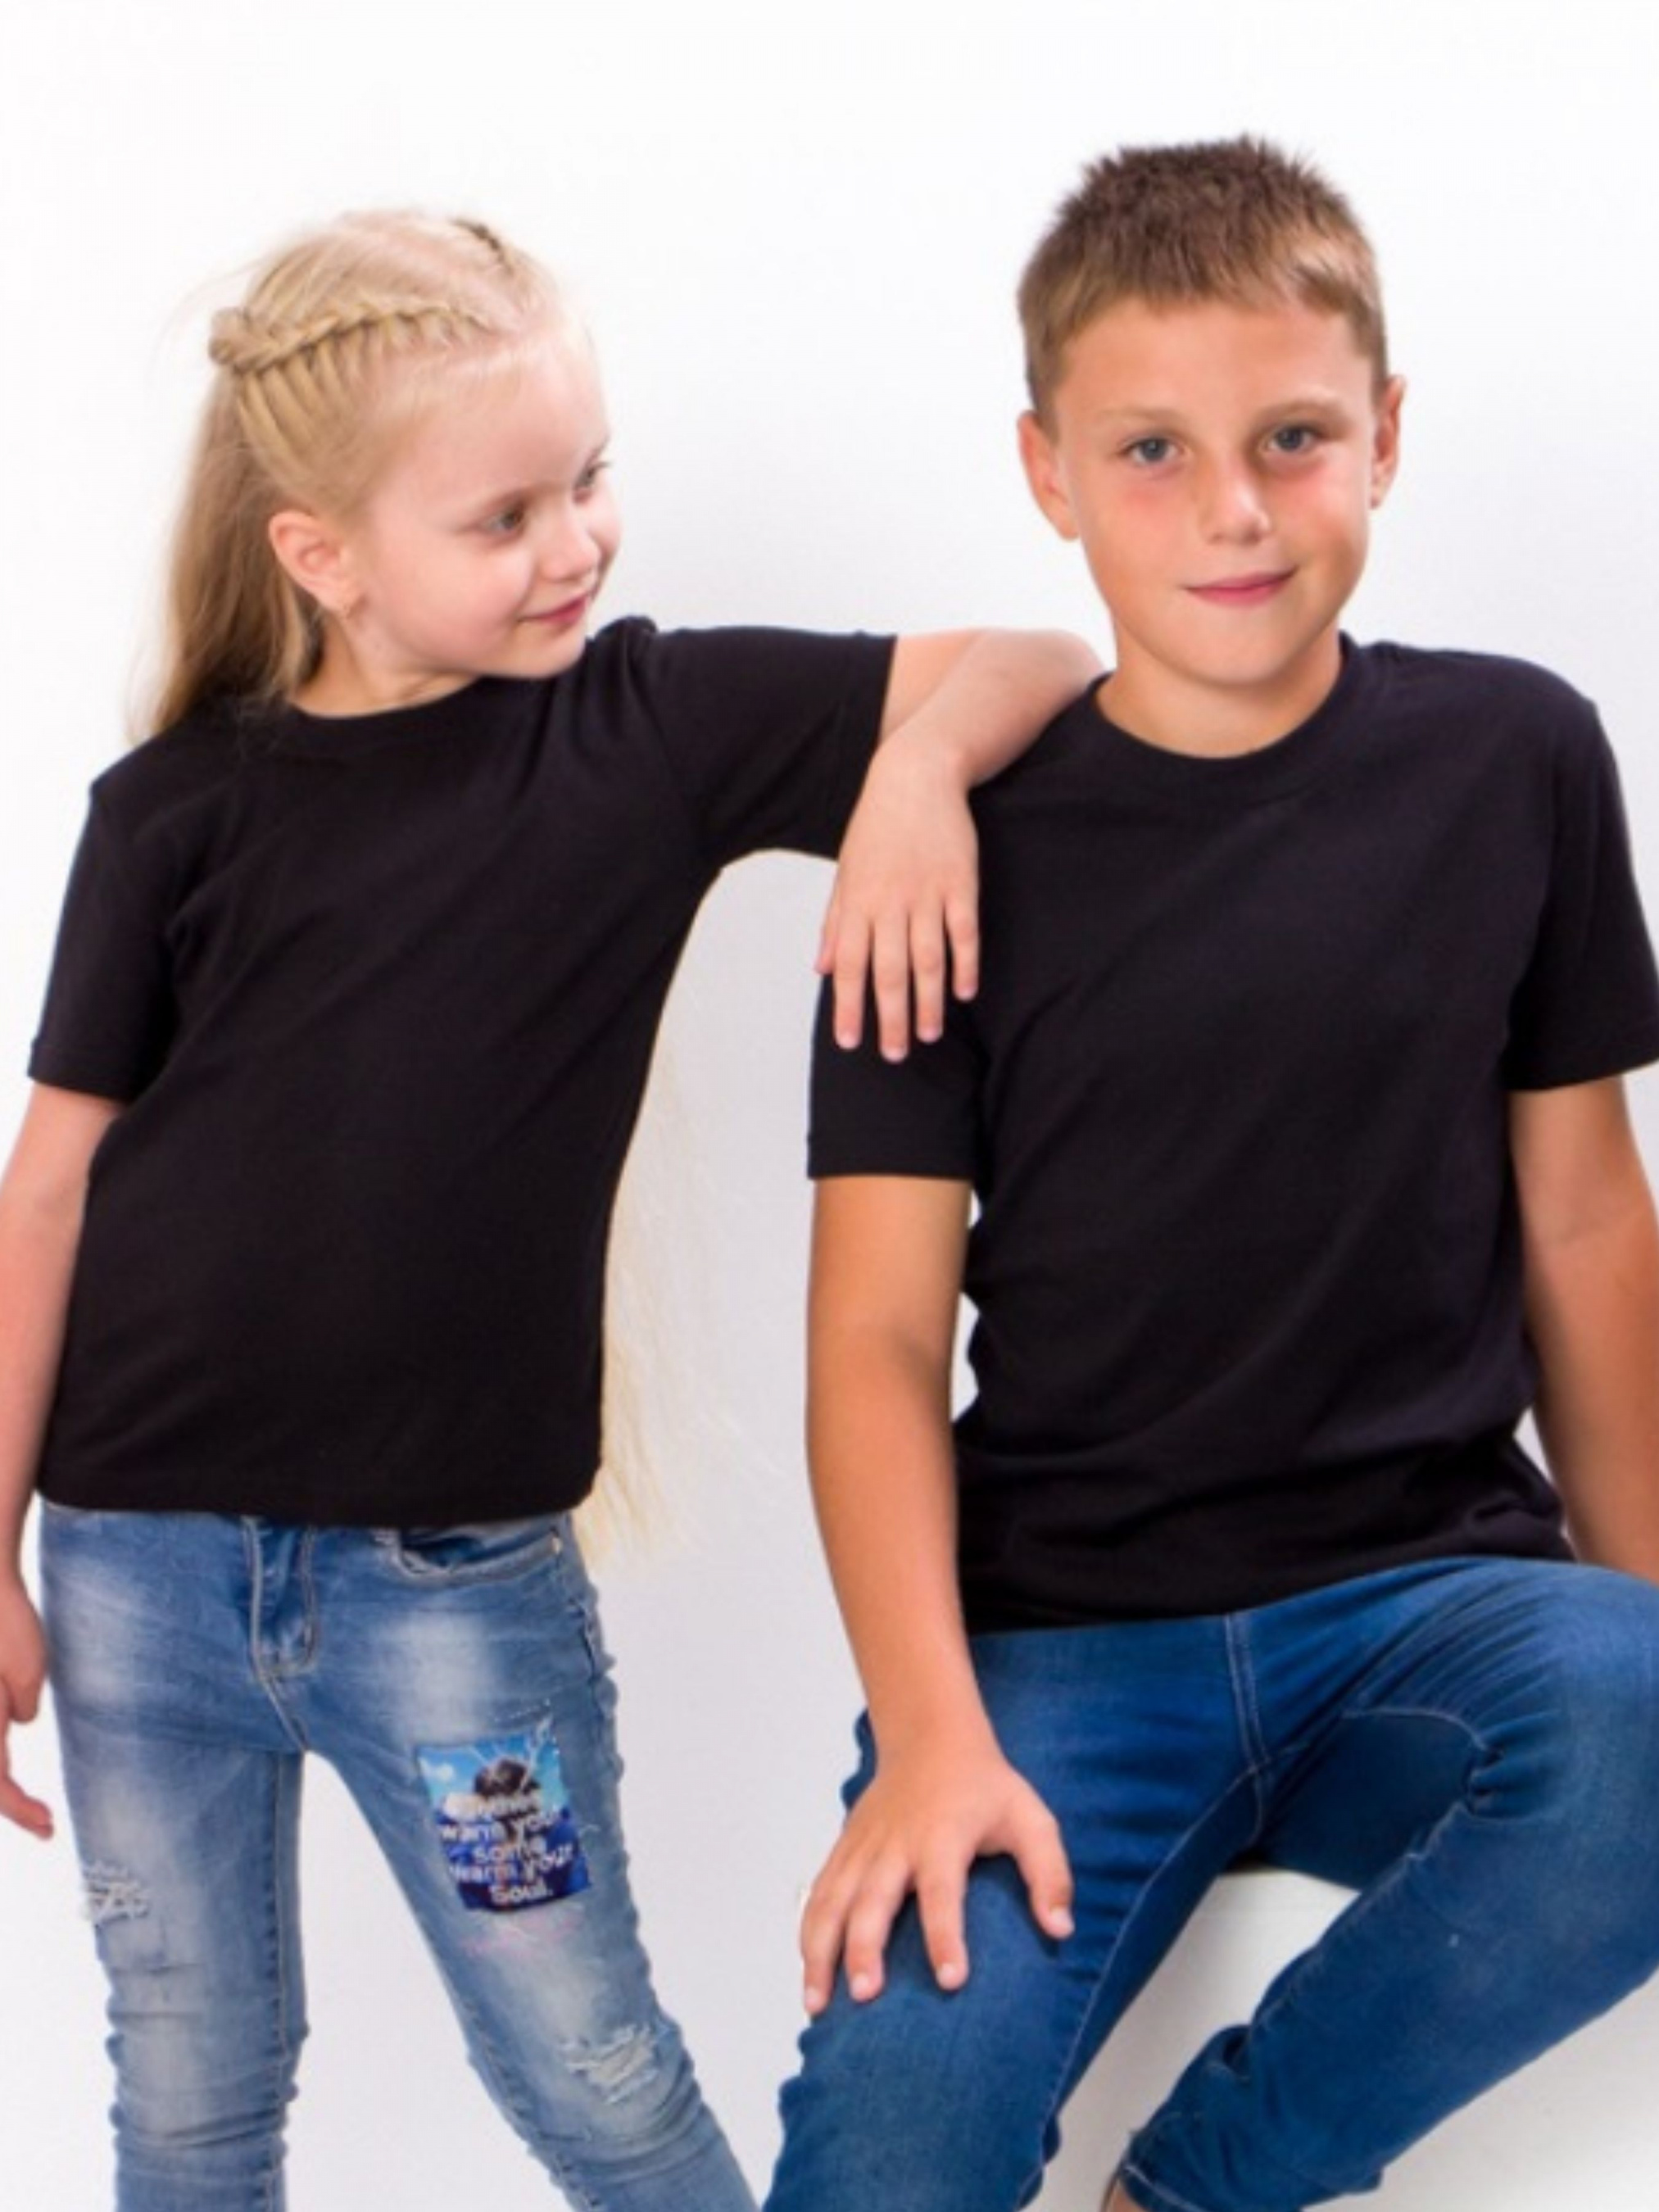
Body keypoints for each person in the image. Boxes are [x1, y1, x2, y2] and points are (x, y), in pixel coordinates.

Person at [0, 209, 1099, 2212]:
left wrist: (914, 774)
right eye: (503, 517)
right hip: (136, 1574)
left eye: (587, 479)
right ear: (322, 554)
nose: (575, 543)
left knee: (592, 2073)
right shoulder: (168, 814)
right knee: (188, 2096)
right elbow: (54, 1189)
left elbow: (1041, 656)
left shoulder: (642, 729)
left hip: (449, 1601)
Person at [768, 137, 1659, 2212]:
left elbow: (1583, 1220)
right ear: (1047, 472)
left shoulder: (1513, 758)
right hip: (1053, 1654)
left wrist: (1642, 1628)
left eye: (1291, 438)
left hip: (1428, 1605)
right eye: (1151, 450)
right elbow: (875, 1340)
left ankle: (1189, 2192)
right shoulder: (934, 864)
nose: (1232, 509)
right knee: (884, 2171)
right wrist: (929, 1734)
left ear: (1383, 435)